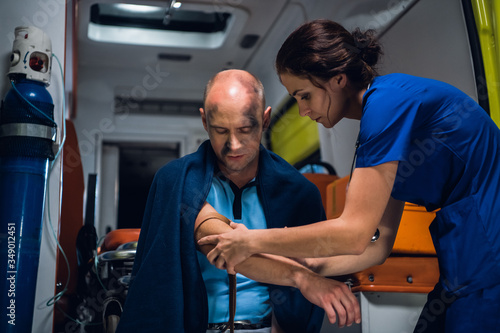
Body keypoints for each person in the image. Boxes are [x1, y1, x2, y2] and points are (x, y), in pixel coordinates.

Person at [198, 19, 500, 333]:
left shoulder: (388, 105)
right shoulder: (383, 121)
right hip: (466, 262)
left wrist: (250, 240)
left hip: (488, 255)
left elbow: (354, 233)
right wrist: (307, 272)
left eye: (304, 96)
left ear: (338, 79)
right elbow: (376, 246)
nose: (303, 111)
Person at [116, 69, 360, 333]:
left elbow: (315, 274)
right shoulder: (175, 181)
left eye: (245, 129)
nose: (233, 145)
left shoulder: (299, 192)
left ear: (265, 120)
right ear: (204, 122)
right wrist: (302, 278)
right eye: (221, 130)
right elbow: (221, 247)